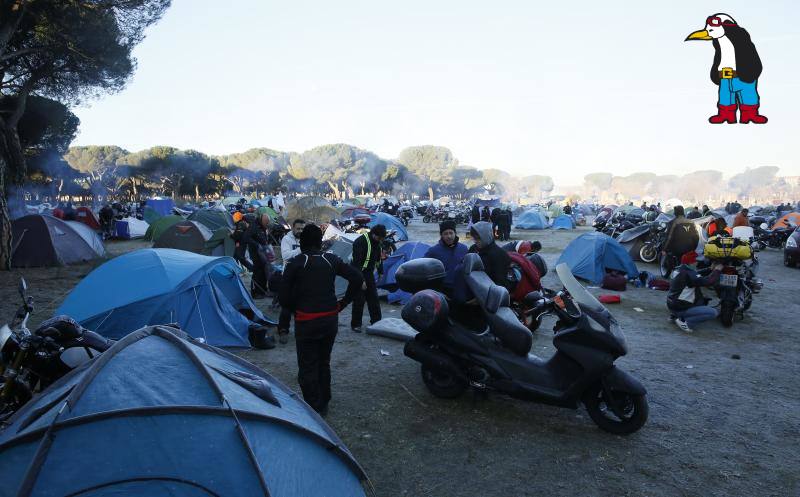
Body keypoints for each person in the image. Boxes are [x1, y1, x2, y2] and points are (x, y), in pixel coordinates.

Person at [279, 224, 363, 415]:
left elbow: (283, 297)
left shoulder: (296, 263)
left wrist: (295, 309)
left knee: (308, 365)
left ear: (301, 243)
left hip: (307, 321)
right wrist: (343, 303)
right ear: (320, 243)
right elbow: (357, 278)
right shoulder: (331, 259)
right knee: (323, 362)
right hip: (329, 320)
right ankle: (324, 400)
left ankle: (315, 408)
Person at [667, 251, 722, 332]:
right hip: (680, 307)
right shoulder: (689, 274)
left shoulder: (678, 269)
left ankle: (675, 316)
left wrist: (710, 269)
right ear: (691, 263)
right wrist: (717, 270)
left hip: (672, 304)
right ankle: (686, 322)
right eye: (696, 261)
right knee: (713, 313)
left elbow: (696, 274)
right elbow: (709, 281)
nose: (697, 263)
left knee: (701, 299)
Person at [350, 224, 386, 332]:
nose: (380, 240)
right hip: (357, 272)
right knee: (359, 299)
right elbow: (356, 264)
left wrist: (380, 272)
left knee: (373, 298)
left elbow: (378, 259)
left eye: (382, 239)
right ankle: (356, 324)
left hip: (369, 273)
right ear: (374, 234)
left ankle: (376, 322)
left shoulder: (378, 243)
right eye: (379, 238)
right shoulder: (360, 242)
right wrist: (362, 281)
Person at [277, 219, 306, 342]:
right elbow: (286, 256)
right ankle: (283, 330)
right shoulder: (286, 239)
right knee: (286, 305)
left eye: (302, 229)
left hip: (302, 276)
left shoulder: (305, 239)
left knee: (302, 305)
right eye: (298, 228)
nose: (300, 231)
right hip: (288, 277)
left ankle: (302, 331)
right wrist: (301, 249)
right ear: (293, 228)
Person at [424, 220, 468, 296]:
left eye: (451, 233)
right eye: (445, 234)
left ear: (455, 233)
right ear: (441, 235)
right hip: (442, 291)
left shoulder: (464, 248)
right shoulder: (433, 251)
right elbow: (424, 269)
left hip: (461, 289)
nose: (449, 236)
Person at [468, 221, 511, 289]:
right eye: (474, 238)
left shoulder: (499, 255)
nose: (475, 241)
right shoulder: (473, 249)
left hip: (489, 293)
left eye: (478, 238)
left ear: (486, 236)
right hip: (473, 289)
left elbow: (500, 283)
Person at [247, 213, 275, 299]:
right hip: (255, 253)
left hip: (263, 252)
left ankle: (263, 290)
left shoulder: (263, 227)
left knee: (264, 271)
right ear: (261, 220)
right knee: (258, 272)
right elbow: (246, 238)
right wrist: (256, 244)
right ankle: (255, 293)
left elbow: (264, 238)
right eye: (266, 222)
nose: (266, 224)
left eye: (267, 222)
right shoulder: (253, 226)